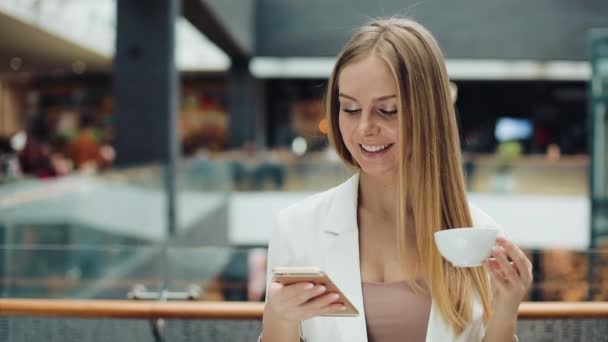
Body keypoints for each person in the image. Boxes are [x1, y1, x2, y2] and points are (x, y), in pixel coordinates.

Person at [260, 18, 532, 342]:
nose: (364, 128)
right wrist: (279, 317)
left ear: (429, 113)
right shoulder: (296, 229)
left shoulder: (480, 241)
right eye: (349, 109)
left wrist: (506, 311)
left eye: (388, 110)